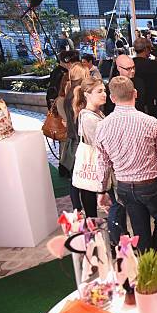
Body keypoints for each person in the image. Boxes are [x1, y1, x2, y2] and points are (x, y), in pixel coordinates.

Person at [96, 76, 157, 253]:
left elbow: (102, 163)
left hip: (124, 187)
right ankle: (155, 259)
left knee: (139, 229)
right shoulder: (151, 123)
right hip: (151, 185)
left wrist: (102, 190)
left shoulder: (102, 126)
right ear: (135, 94)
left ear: (112, 98)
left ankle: (146, 265)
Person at [72, 74, 128, 243]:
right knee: (115, 207)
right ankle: (118, 243)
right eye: (99, 91)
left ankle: (120, 241)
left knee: (116, 207)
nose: (104, 94)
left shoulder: (96, 113)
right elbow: (103, 146)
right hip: (102, 170)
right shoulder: (89, 117)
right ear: (87, 94)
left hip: (106, 170)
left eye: (104, 90)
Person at [59, 63, 93, 214]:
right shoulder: (79, 94)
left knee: (76, 179)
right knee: (85, 180)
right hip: (81, 143)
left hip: (72, 143)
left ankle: (77, 209)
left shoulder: (68, 92)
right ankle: (89, 215)